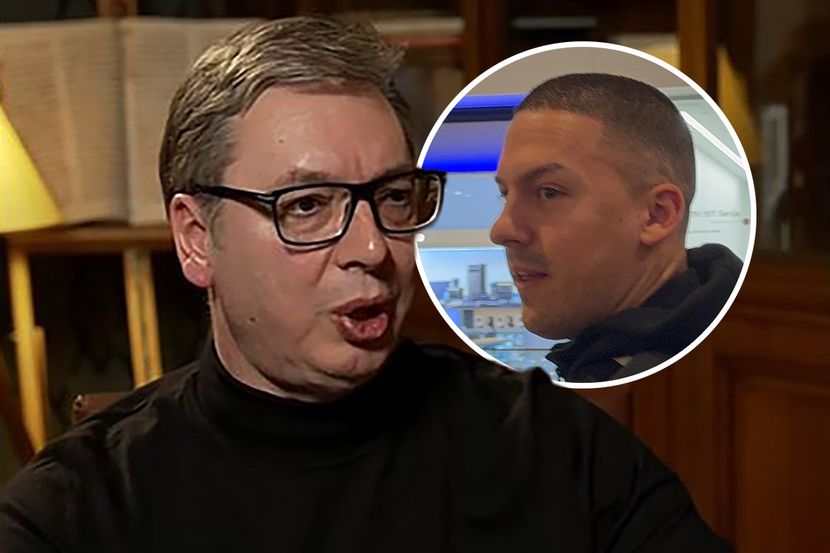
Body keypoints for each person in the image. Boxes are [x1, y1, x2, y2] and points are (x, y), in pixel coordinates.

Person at [0, 18, 731, 552]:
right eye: (306, 205)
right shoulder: (75, 511)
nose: (374, 248)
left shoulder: (551, 448)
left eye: (392, 197)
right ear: (196, 238)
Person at [491, 73, 743, 383]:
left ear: (657, 215)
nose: (501, 230)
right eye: (505, 193)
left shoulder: (711, 383)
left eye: (549, 192)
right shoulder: (605, 365)